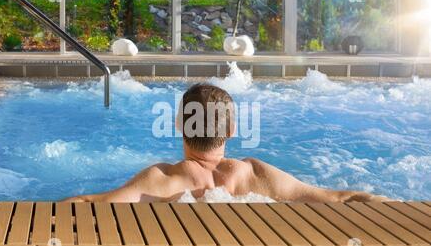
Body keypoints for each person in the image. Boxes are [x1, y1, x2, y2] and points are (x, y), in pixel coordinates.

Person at [64, 84, 389, 203]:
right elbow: (336, 197)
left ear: (179, 126)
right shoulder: (255, 175)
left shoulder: (162, 180)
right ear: (231, 129)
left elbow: (90, 205)